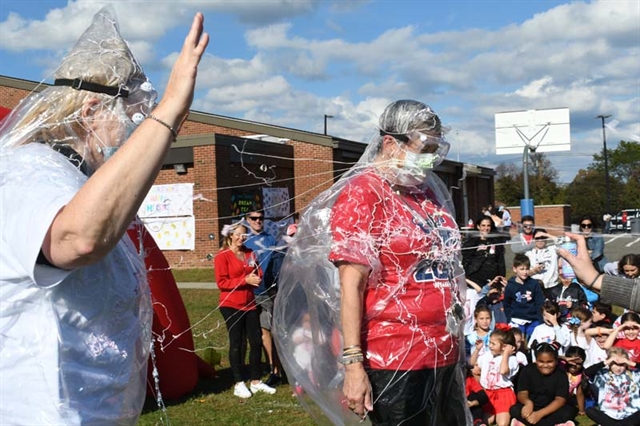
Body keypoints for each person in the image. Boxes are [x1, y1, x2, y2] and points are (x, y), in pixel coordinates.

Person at [0, 8, 208, 425]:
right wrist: (168, 110)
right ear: (91, 109)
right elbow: (76, 239)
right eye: (131, 118)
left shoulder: (74, 181)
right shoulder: (27, 169)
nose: (134, 132)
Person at [273, 100, 470, 425]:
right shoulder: (362, 195)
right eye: (425, 148)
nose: (431, 159)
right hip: (395, 356)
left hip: (443, 350)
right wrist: (353, 365)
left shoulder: (425, 194)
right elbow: (351, 285)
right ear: (391, 143)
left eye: (437, 149)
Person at [214, 222, 277, 398]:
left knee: (256, 341)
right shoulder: (222, 256)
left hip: (250, 303)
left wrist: (257, 277)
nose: (242, 238)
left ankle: (256, 381)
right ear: (230, 235)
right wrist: (244, 281)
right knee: (237, 343)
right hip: (231, 305)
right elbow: (222, 283)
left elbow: (257, 271)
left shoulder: (249, 252)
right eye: (239, 234)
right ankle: (238, 382)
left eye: (245, 235)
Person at [556, 232, 640, 312]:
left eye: (633, 270)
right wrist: (618, 267)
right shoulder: (616, 268)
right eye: (627, 270)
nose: (630, 273)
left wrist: (593, 279)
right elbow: (607, 267)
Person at [243, 208, 281, 384]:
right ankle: (260, 368)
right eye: (254, 218)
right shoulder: (243, 240)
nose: (258, 221)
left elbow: (275, 264)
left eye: (260, 218)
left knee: (270, 330)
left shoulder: (270, 238)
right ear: (247, 220)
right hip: (249, 292)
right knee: (255, 333)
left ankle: (275, 370)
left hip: (267, 292)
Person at [509, 342, 577, 426]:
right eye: (541, 361)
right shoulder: (527, 370)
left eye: (549, 362)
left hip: (552, 409)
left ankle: (525, 423)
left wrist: (540, 414)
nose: (545, 365)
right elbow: (522, 392)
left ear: (556, 361)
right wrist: (528, 403)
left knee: (570, 411)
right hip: (532, 407)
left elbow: (560, 400)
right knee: (514, 409)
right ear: (536, 360)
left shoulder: (561, 374)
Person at [469, 327, 519, 426]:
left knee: (503, 423)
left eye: (493, 344)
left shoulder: (511, 359)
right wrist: (477, 350)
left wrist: (506, 354)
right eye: (489, 342)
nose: (490, 346)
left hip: (503, 394)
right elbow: (472, 363)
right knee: (487, 420)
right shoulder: (488, 355)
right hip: (488, 393)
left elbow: (503, 370)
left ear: (504, 346)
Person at [584, 347, 640, 426]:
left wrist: (630, 363)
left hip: (630, 415)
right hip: (608, 414)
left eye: (621, 365)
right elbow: (587, 372)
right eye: (615, 364)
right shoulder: (602, 374)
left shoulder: (635, 374)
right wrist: (607, 361)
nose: (618, 368)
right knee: (590, 410)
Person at [504, 254, 545, 339]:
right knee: (517, 342)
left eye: (527, 269)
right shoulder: (510, 286)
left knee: (534, 341)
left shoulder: (534, 284)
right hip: (516, 320)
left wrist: (540, 320)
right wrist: (509, 319)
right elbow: (507, 304)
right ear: (515, 269)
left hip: (533, 320)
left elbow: (540, 303)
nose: (525, 272)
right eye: (522, 269)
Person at [462, 216, 506, 292]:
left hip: (492, 282)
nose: (486, 228)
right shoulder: (470, 244)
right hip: (475, 283)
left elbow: (500, 263)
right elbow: (466, 264)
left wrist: (501, 279)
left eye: (488, 226)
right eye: (483, 225)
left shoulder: (496, 243)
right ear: (478, 226)